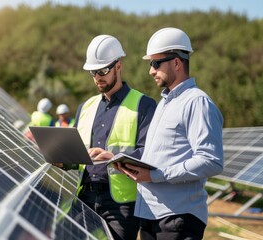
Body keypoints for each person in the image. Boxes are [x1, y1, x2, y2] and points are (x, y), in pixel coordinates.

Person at [115, 27, 224, 240]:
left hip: (178, 218)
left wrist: (155, 175)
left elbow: (211, 161)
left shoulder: (197, 102)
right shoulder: (165, 103)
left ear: (176, 62)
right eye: (150, 64)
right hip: (151, 214)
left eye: (156, 63)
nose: (151, 70)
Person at [60, 35, 156, 240]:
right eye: (93, 72)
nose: (97, 77)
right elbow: (78, 155)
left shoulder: (144, 105)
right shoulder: (85, 107)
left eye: (102, 71)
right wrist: (64, 161)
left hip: (121, 204)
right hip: (84, 196)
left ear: (118, 66)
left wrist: (112, 156)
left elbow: (149, 153)